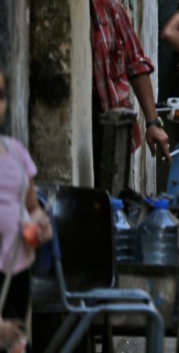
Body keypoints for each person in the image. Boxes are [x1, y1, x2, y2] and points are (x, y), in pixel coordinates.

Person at [89, 0, 172, 184]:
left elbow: (136, 66)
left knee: (111, 192)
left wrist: (153, 123)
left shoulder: (109, 7)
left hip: (111, 118)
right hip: (81, 115)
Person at [0, 68, 53, 352]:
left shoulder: (16, 152)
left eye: (0, 96)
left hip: (15, 273)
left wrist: (39, 224)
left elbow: (33, 208)